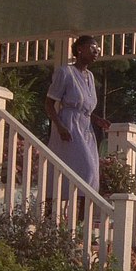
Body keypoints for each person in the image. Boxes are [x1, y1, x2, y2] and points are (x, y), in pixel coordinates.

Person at [44, 36, 111, 195]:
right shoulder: (65, 72)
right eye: (92, 48)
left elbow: (84, 106)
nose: (96, 52)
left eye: (98, 50)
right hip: (69, 126)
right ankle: (51, 206)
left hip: (86, 128)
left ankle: (81, 210)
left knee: (91, 172)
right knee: (82, 169)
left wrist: (96, 119)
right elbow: (49, 103)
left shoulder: (90, 76)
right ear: (80, 49)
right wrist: (60, 126)